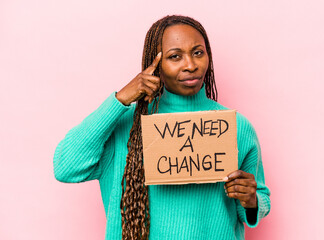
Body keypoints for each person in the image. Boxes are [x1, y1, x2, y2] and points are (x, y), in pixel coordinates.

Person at [53, 15, 271, 240]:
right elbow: (66, 167)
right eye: (175, 56)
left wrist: (251, 199)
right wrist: (120, 100)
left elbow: (260, 199)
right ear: (155, 64)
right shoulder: (126, 126)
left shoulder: (236, 127)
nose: (190, 65)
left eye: (198, 53)